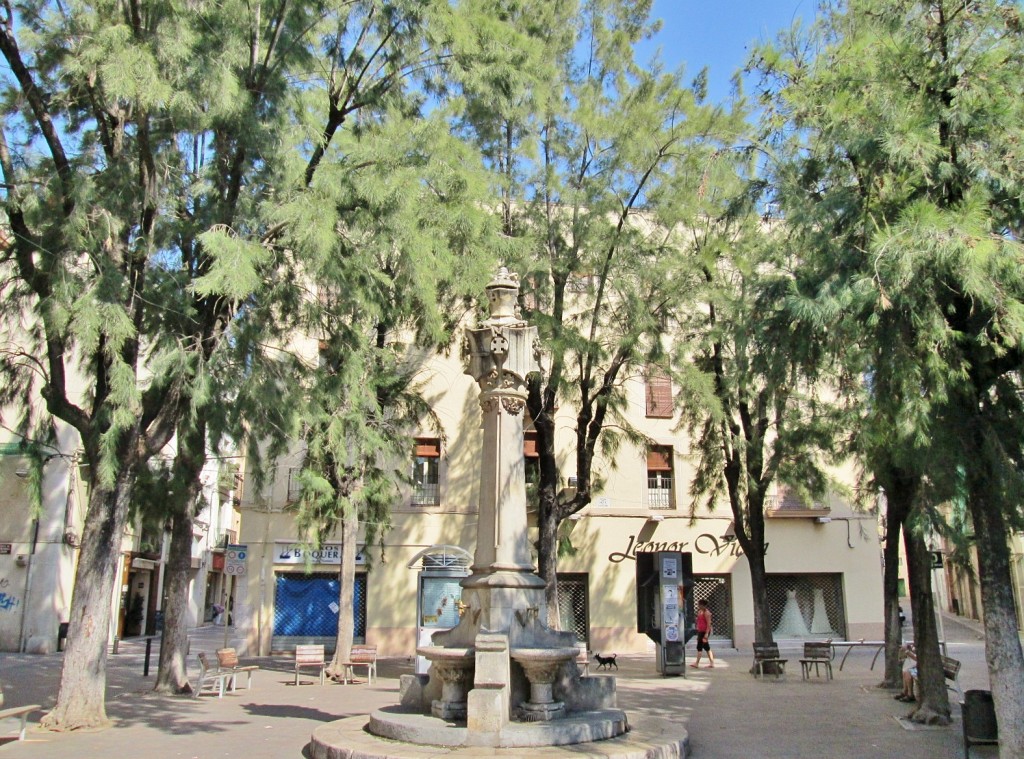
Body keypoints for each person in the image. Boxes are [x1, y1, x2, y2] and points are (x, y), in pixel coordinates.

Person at [692, 598, 715, 668]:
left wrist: (706, 633)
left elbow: (709, 624)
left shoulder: (707, 613)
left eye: (700, 604)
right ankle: (712, 662)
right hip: (701, 631)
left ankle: (697, 663)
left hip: (704, 632)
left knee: (699, 646)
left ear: (703, 605)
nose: (699, 606)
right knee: (706, 647)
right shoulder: (700, 612)